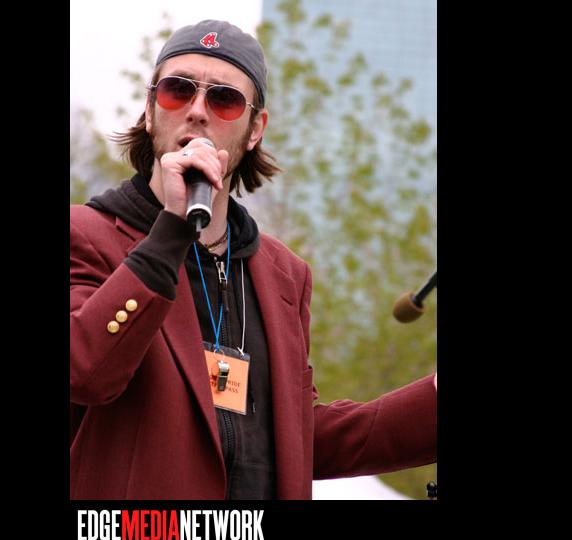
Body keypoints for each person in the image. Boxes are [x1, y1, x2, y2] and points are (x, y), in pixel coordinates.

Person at [70, 19, 437, 500]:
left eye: (224, 99)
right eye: (178, 90)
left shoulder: (284, 275)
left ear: (254, 130)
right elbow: (85, 371)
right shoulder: (86, 235)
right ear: (150, 110)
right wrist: (172, 229)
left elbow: (296, 440)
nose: (197, 111)